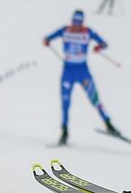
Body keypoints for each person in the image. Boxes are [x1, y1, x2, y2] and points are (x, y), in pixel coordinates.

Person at [43, 9, 120, 146]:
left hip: (83, 71)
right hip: (68, 72)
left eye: (79, 23)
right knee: (65, 103)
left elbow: (104, 43)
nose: (76, 26)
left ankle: (109, 124)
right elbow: (47, 38)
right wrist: (47, 41)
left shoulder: (87, 32)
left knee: (94, 98)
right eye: (75, 22)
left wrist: (98, 47)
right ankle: (64, 132)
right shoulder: (65, 30)